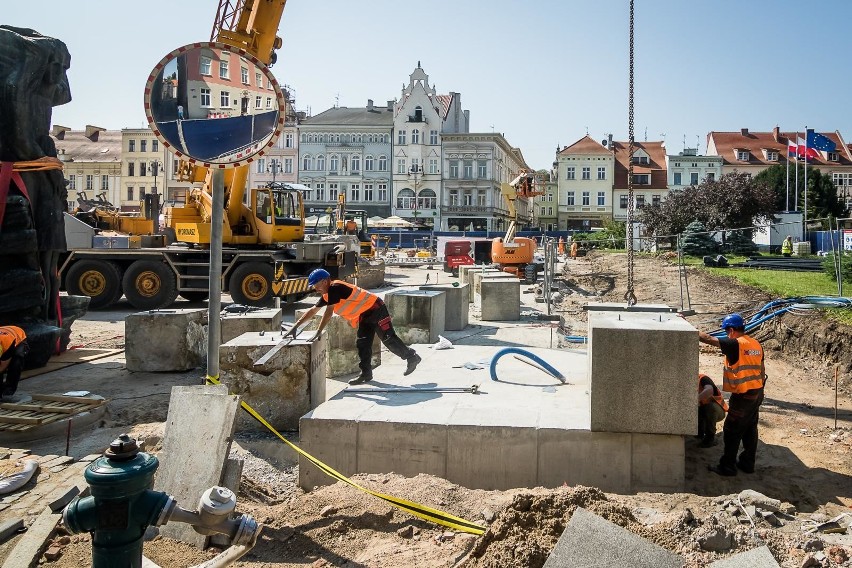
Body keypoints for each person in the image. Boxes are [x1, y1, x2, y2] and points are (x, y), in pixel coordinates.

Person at [289, 269, 421, 385]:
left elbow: (328, 313)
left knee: (388, 338)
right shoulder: (327, 294)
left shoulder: (334, 288)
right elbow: (313, 310)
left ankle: (412, 357)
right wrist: (295, 326)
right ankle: (366, 374)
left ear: (324, 281)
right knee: (362, 343)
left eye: (316, 285)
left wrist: (318, 331)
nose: (315, 288)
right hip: (365, 314)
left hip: (376, 309)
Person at [698, 313, 766, 476]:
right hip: (757, 392)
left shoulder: (735, 344)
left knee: (731, 430)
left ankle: (727, 467)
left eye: (727, 331)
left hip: (743, 396)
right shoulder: (756, 344)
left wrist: (688, 328)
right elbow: (762, 370)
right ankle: (747, 464)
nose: (726, 334)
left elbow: (708, 339)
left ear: (731, 329)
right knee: (750, 428)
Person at [697, 373, 728, 448]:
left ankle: (710, 438)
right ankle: (700, 433)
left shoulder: (703, 378)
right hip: (703, 410)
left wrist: (695, 399)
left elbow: (709, 391)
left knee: (710, 408)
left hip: (717, 410)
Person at [0, 326, 29, 398]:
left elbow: (2, 367)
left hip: (18, 337)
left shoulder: (7, 345)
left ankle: (8, 391)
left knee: (16, 362)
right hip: (6, 332)